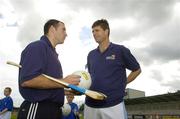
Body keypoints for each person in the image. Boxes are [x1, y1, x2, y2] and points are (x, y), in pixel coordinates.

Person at [17, 19, 80, 119]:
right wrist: (64, 82)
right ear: (52, 29)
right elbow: (28, 80)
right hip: (37, 108)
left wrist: (64, 91)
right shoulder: (38, 46)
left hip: (54, 110)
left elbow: (49, 85)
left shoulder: (53, 54)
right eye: (63, 29)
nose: (66, 34)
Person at [84, 19, 141, 119]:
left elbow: (137, 69)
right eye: (92, 31)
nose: (94, 33)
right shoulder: (91, 55)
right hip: (90, 105)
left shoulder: (120, 50)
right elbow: (90, 77)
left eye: (97, 30)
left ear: (106, 31)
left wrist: (124, 83)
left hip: (113, 104)